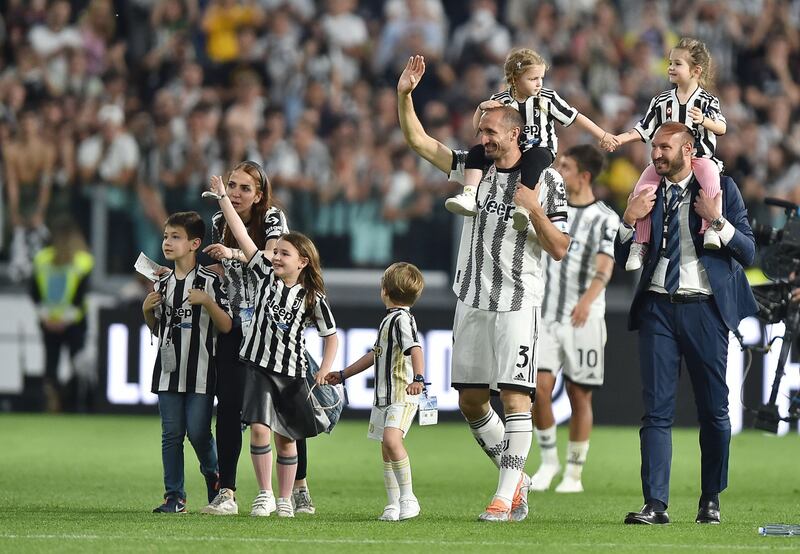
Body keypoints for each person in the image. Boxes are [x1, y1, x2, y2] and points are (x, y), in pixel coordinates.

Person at [398, 55, 570, 522]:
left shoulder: (547, 180)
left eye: (491, 132)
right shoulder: (473, 171)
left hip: (517, 301)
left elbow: (559, 247)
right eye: (481, 132)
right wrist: (405, 95)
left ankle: (505, 494)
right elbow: (419, 142)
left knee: (516, 397)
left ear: (515, 133)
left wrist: (533, 209)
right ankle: (520, 478)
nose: (483, 139)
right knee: (472, 401)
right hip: (471, 299)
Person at [614, 122, 756, 525]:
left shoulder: (722, 190)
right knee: (656, 412)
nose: (656, 154)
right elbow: (621, 248)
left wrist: (718, 222)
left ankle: (710, 498)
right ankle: (655, 504)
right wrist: (627, 220)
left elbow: (748, 251)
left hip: (705, 308)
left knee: (714, 411)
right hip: (658, 305)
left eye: (664, 148)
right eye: (654, 147)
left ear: (688, 150)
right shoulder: (647, 190)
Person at [205, 174, 338, 518]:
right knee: (260, 429)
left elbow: (331, 335)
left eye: (283, 254)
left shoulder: (312, 297)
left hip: (293, 372)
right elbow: (247, 241)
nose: (276, 257)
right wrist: (222, 198)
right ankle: (263, 494)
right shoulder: (264, 274)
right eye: (275, 252)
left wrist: (323, 369)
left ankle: (288, 496)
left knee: (288, 436)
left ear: (303, 262)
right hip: (259, 367)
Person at [444, 47, 616, 232]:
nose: (539, 83)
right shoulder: (500, 100)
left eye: (541, 78)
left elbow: (575, 117)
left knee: (534, 158)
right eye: (533, 79)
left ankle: (523, 206)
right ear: (515, 79)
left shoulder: (547, 99)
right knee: (477, 151)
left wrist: (603, 135)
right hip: (508, 151)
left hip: (540, 148)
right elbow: (478, 129)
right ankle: (470, 196)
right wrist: (480, 108)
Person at [529, 145, 619, 493]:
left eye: (564, 166)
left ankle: (574, 473)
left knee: (579, 395)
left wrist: (586, 301)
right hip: (547, 315)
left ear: (584, 176)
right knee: (539, 390)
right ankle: (549, 462)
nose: (558, 171)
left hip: (585, 319)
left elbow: (605, 267)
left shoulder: (604, 218)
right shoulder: (554, 211)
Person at [143, 211, 233, 513]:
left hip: (202, 373)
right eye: (166, 236)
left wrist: (207, 302)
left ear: (194, 243)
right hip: (168, 371)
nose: (167, 242)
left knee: (197, 431)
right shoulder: (163, 283)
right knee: (171, 434)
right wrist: (146, 312)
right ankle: (175, 496)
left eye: (175, 237)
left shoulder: (211, 281)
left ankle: (214, 474)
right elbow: (158, 328)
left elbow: (226, 326)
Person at [612, 38, 727, 271]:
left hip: (699, 158)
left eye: (677, 63)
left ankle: (710, 228)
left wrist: (704, 121)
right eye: (670, 63)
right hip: (666, 163)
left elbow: (722, 127)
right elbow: (644, 128)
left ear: (696, 71)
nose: (671, 68)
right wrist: (620, 138)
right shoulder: (661, 100)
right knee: (643, 188)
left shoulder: (707, 101)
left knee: (711, 174)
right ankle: (640, 242)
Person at [326, 262, 425, 522]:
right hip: (383, 396)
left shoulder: (401, 320)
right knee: (385, 449)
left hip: (402, 394)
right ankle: (392, 505)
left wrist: (419, 378)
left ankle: (408, 498)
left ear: (385, 290)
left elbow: (416, 348)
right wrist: (344, 374)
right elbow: (374, 355)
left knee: (392, 442)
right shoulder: (389, 321)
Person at [30, 216, 94, 412]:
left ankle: (52, 404)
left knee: (51, 364)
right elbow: (80, 295)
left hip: (48, 320)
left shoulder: (41, 258)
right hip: (74, 322)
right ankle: (74, 404)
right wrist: (65, 319)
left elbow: (34, 292)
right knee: (77, 363)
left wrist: (47, 317)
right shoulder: (83, 261)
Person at [4, 107, 56, 283]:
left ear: (37, 125)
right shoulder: (11, 149)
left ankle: (38, 266)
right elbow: (12, 183)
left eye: (31, 122)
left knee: (38, 228)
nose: (27, 127)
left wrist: (40, 211)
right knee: (15, 226)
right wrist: (14, 211)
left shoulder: (46, 150)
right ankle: (16, 265)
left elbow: (45, 183)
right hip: (20, 191)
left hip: (37, 193)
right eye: (24, 123)